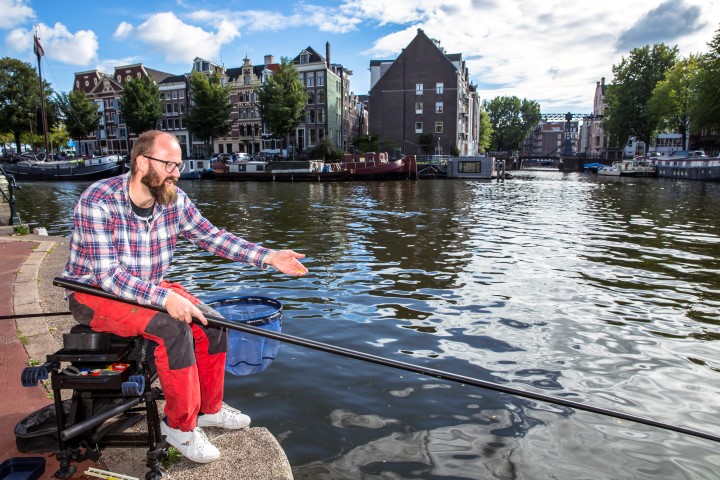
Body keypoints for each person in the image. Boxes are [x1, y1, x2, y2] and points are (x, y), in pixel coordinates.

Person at [61, 130, 307, 463]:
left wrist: (267, 256)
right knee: (173, 328)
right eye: (169, 165)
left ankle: (208, 409)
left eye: (178, 165)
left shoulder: (172, 199)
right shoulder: (99, 200)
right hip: (95, 293)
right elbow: (109, 277)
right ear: (142, 162)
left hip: (146, 287)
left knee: (213, 321)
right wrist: (164, 300)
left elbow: (212, 237)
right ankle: (178, 426)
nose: (177, 173)